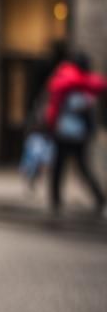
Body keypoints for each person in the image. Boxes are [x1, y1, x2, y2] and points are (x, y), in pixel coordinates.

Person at [43, 51, 106, 212]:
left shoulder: (64, 80)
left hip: (63, 131)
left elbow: (54, 106)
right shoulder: (86, 84)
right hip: (77, 133)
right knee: (80, 166)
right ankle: (98, 197)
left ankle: (55, 199)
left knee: (60, 166)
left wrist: (50, 126)